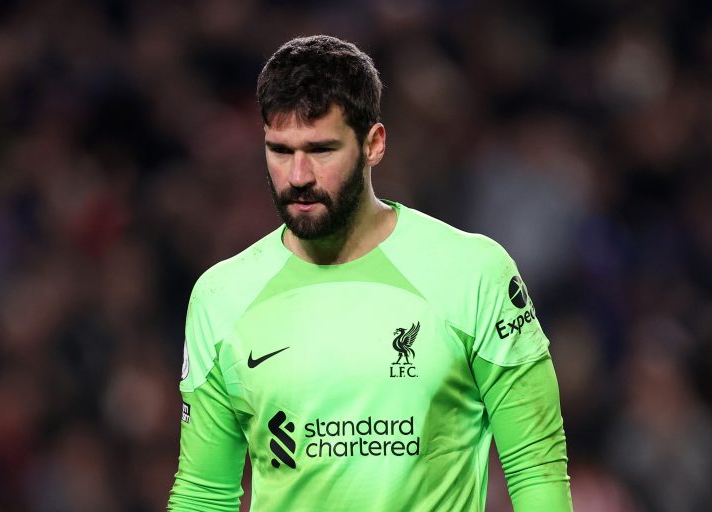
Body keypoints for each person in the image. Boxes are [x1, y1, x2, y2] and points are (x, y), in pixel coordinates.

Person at [167, 35, 572, 511]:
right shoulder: (222, 295)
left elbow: (536, 466)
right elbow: (203, 493)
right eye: (280, 150)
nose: (297, 175)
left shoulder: (474, 273)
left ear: (374, 144)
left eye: (321, 150)